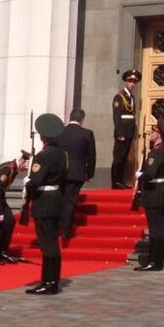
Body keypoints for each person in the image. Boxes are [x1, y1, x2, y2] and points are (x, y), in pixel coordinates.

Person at [25, 113, 68, 295]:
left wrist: (29, 180)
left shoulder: (43, 155)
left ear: (42, 135)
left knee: (47, 243)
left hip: (45, 201)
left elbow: (36, 179)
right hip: (57, 198)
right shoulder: (61, 153)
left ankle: (48, 282)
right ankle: (53, 280)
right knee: (53, 243)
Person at [134, 115, 164, 272]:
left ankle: (154, 262)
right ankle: (156, 260)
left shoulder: (156, 153)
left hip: (154, 193)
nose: (151, 133)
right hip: (160, 191)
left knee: (155, 228)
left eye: (153, 130)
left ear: (158, 133)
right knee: (159, 227)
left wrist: (139, 175)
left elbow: (150, 174)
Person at [57, 107, 96, 241]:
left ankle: (60, 225)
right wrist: (90, 173)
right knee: (71, 200)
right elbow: (91, 156)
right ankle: (66, 230)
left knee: (62, 198)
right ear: (81, 119)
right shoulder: (87, 133)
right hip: (77, 172)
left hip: (61, 172)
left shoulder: (59, 133)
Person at [111, 69, 141, 189]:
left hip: (129, 131)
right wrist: (120, 133)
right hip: (122, 132)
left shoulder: (132, 97)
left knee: (125, 158)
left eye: (134, 82)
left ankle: (122, 180)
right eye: (130, 81)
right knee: (119, 157)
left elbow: (132, 116)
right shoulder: (119, 97)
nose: (132, 84)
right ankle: (116, 181)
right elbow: (117, 116)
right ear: (125, 82)